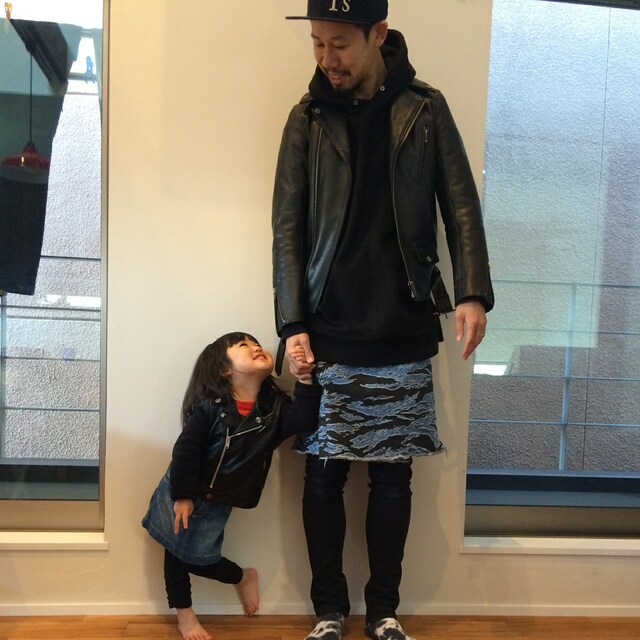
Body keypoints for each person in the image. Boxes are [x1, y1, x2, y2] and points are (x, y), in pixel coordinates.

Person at [272, 1, 494, 639]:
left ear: (378, 34)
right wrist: (292, 322)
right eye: (317, 43)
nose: (326, 58)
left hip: (402, 320)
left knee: (393, 477)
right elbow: (286, 229)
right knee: (323, 476)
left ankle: (383, 612)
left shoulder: (425, 109)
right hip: (328, 323)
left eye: (339, 44)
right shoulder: (307, 118)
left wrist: (472, 292)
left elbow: (460, 206)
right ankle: (328, 612)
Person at [142, 332, 321, 640]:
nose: (256, 347)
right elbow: (185, 451)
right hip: (183, 489)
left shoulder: (274, 408)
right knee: (174, 552)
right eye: (243, 346)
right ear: (225, 369)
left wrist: (305, 380)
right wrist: (182, 496)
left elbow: (303, 421)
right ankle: (185, 616)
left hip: (219, 500)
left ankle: (242, 576)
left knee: (198, 559)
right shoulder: (210, 407)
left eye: (256, 344)